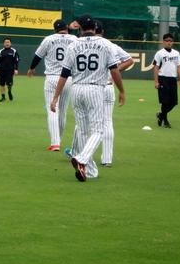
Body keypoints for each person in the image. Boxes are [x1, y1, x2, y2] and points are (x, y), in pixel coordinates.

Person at [50, 14, 125, 182]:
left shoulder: (73, 44)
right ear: (95, 28)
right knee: (98, 130)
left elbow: (64, 74)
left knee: (83, 130)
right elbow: (114, 70)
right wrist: (121, 90)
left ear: (81, 28)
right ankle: (82, 159)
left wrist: (55, 97)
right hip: (95, 89)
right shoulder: (105, 44)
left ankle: (89, 170)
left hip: (76, 89)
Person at [27, 19, 78, 151]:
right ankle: (58, 139)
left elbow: (38, 56)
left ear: (55, 29)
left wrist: (32, 68)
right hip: (68, 78)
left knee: (52, 110)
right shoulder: (74, 39)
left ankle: (55, 143)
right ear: (66, 28)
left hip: (52, 77)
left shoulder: (49, 39)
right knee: (62, 111)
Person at [96, 20, 134, 166]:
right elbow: (130, 61)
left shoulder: (83, 44)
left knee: (85, 122)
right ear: (103, 32)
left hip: (92, 87)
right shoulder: (111, 45)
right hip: (108, 86)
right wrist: (114, 73)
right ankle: (107, 159)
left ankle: (79, 154)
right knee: (107, 122)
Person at [153, 33, 180, 128]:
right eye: (167, 40)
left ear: (173, 42)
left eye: (170, 41)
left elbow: (179, 66)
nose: (169, 42)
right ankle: (165, 121)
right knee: (165, 101)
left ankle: (161, 115)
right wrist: (156, 81)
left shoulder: (176, 53)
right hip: (163, 79)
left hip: (172, 79)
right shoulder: (159, 53)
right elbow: (156, 67)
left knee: (174, 102)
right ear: (163, 42)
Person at [0, 37, 20, 102]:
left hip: (10, 70)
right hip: (2, 70)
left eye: (8, 42)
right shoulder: (0, 51)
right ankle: (3, 97)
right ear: (3, 43)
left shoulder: (14, 51)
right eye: (6, 42)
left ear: (10, 43)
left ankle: (9, 91)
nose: (7, 43)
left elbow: (16, 61)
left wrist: (16, 69)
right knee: (1, 84)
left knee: (9, 84)